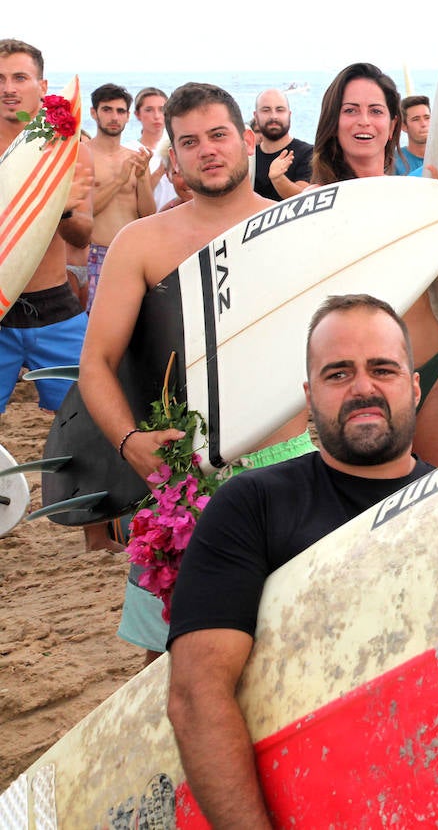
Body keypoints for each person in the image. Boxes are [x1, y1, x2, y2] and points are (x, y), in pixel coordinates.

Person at [167, 293, 433, 829]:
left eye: (383, 368)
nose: (363, 387)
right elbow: (197, 694)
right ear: (309, 396)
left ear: (415, 385)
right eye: (339, 374)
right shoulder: (253, 505)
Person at [82, 82, 315, 660]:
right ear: (176, 157)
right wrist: (130, 441)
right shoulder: (142, 243)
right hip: (185, 476)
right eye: (190, 142)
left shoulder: (297, 228)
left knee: (293, 650)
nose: (207, 150)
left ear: (246, 139)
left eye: (218, 136)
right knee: (166, 659)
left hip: (289, 466)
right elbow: (97, 364)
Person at [310, 62, 438, 465]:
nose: (364, 121)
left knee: (437, 498)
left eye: (376, 110)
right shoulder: (315, 205)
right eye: (350, 110)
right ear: (334, 121)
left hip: (433, 368)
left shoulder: (418, 192)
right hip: (360, 385)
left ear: (393, 122)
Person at [0, 40, 93, 428]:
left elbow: (82, 235)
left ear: (42, 84)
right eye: (0, 79)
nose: (8, 88)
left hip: (56, 308)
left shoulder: (69, 149)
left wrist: (62, 208)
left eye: (20, 77)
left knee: (83, 422)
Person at [87, 83, 154, 310]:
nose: (114, 117)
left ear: (128, 117)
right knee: (94, 327)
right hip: (95, 254)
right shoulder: (82, 155)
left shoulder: (134, 157)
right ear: (93, 113)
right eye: (107, 110)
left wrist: (142, 177)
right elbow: (80, 213)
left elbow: (147, 215)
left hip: (131, 255)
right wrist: (118, 180)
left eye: (120, 111)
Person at [252, 89, 313, 200]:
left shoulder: (308, 153)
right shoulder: (248, 156)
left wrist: (278, 178)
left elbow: (305, 200)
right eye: (266, 110)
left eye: (280, 110)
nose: (274, 116)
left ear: (289, 115)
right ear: (256, 117)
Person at [133, 87, 176, 209]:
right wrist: (159, 172)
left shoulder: (179, 146)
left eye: (162, 110)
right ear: (137, 114)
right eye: (149, 110)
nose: (156, 116)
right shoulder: (130, 150)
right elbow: (131, 199)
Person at [392, 94, 429, 177]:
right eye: (416, 119)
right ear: (403, 126)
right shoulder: (393, 162)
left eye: (427, 117)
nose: (424, 124)